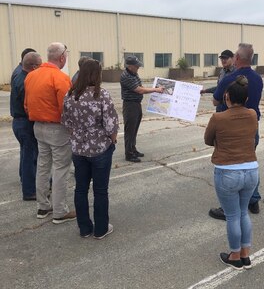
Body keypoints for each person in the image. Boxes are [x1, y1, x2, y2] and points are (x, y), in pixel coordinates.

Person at [204, 76, 259, 270]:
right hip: (251, 169)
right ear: (245, 99)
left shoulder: (218, 117)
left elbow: (208, 140)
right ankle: (245, 254)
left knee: (232, 216)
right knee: (244, 213)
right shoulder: (252, 114)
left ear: (226, 97)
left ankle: (234, 255)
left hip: (228, 171)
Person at [61, 59, 119, 239]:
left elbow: (66, 122)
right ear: (97, 74)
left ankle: (85, 228)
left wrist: (78, 135)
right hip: (100, 148)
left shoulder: (70, 95)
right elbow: (111, 125)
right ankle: (101, 229)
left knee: (80, 189)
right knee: (100, 190)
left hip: (78, 149)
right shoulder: (101, 94)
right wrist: (112, 141)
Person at [209, 43, 263, 219]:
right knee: (249, 161)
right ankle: (253, 200)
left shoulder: (229, 79)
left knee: (231, 165)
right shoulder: (258, 78)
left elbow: (216, 102)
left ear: (237, 58)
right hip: (251, 126)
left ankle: (229, 207)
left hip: (230, 128)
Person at [24, 42, 76, 224]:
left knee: (43, 166)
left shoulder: (31, 76)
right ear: (62, 57)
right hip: (57, 128)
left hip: (38, 126)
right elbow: (66, 108)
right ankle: (60, 211)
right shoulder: (60, 77)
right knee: (61, 168)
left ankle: (43, 206)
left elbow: (26, 104)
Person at [10, 52, 42, 200]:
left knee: (25, 154)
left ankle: (25, 181)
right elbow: (29, 106)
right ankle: (29, 191)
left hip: (19, 122)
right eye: (40, 66)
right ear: (34, 66)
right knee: (30, 156)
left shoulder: (19, 72)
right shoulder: (24, 80)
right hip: (24, 122)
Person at [120, 55, 163, 162]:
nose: (138, 67)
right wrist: (155, 90)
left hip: (136, 104)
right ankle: (129, 154)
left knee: (134, 129)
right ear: (130, 66)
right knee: (130, 130)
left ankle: (133, 149)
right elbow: (139, 90)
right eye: (136, 66)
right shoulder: (126, 76)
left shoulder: (134, 74)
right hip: (130, 105)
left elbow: (141, 87)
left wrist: (153, 89)